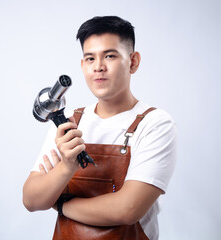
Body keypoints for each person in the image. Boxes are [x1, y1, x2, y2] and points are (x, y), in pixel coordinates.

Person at [23, 16, 176, 240]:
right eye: (90, 58)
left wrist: (61, 204)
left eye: (110, 56)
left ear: (133, 62)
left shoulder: (156, 124)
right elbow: (32, 200)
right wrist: (66, 167)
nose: (98, 67)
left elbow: (127, 209)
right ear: (82, 65)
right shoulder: (69, 124)